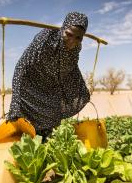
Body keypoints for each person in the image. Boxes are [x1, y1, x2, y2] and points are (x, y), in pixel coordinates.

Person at [7, 11, 90, 141]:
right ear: (63, 28)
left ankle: (44, 145)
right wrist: (15, 102)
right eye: (69, 34)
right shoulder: (46, 38)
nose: (72, 41)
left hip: (50, 90)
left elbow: (72, 69)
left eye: (78, 38)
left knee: (50, 125)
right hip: (31, 87)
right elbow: (21, 66)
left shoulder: (75, 50)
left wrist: (82, 91)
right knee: (25, 129)